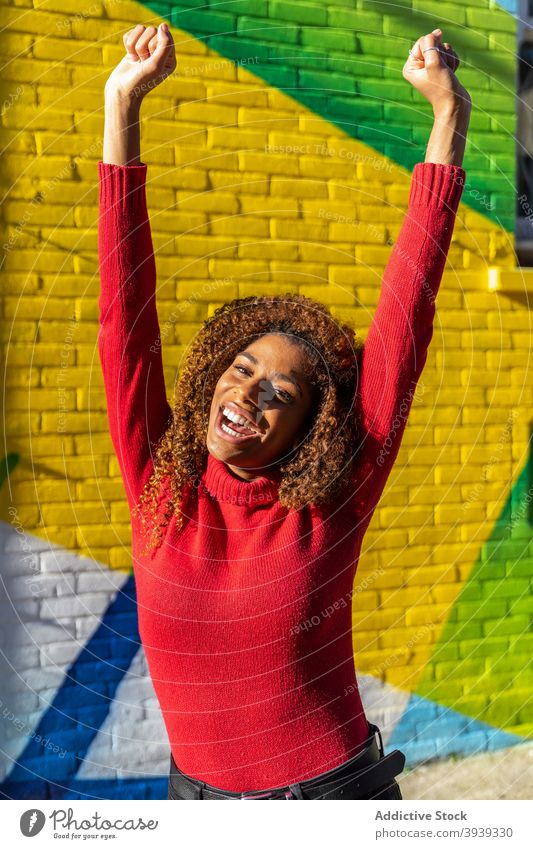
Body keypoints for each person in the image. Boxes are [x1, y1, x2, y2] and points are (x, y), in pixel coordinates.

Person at [98, 22, 471, 800]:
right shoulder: (161, 485)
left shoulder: (330, 501)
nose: (247, 396)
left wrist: (446, 119)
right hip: (191, 802)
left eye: (279, 395)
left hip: (328, 801)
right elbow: (124, 320)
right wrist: (121, 107)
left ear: (309, 431)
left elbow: (406, 318)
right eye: (240, 372)